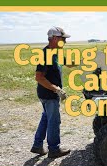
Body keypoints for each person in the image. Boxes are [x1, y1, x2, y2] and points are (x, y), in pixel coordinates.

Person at [30, 27, 73, 158]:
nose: (64, 42)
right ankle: (54, 149)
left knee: (46, 118)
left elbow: (65, 62)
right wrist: (57, 89)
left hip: (48, 94)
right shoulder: (44, 55)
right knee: (54, 121)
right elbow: (39, 77)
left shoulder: (55, 52)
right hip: (48, 94)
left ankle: (37, 146)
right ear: (54, 38)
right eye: (63, 39)